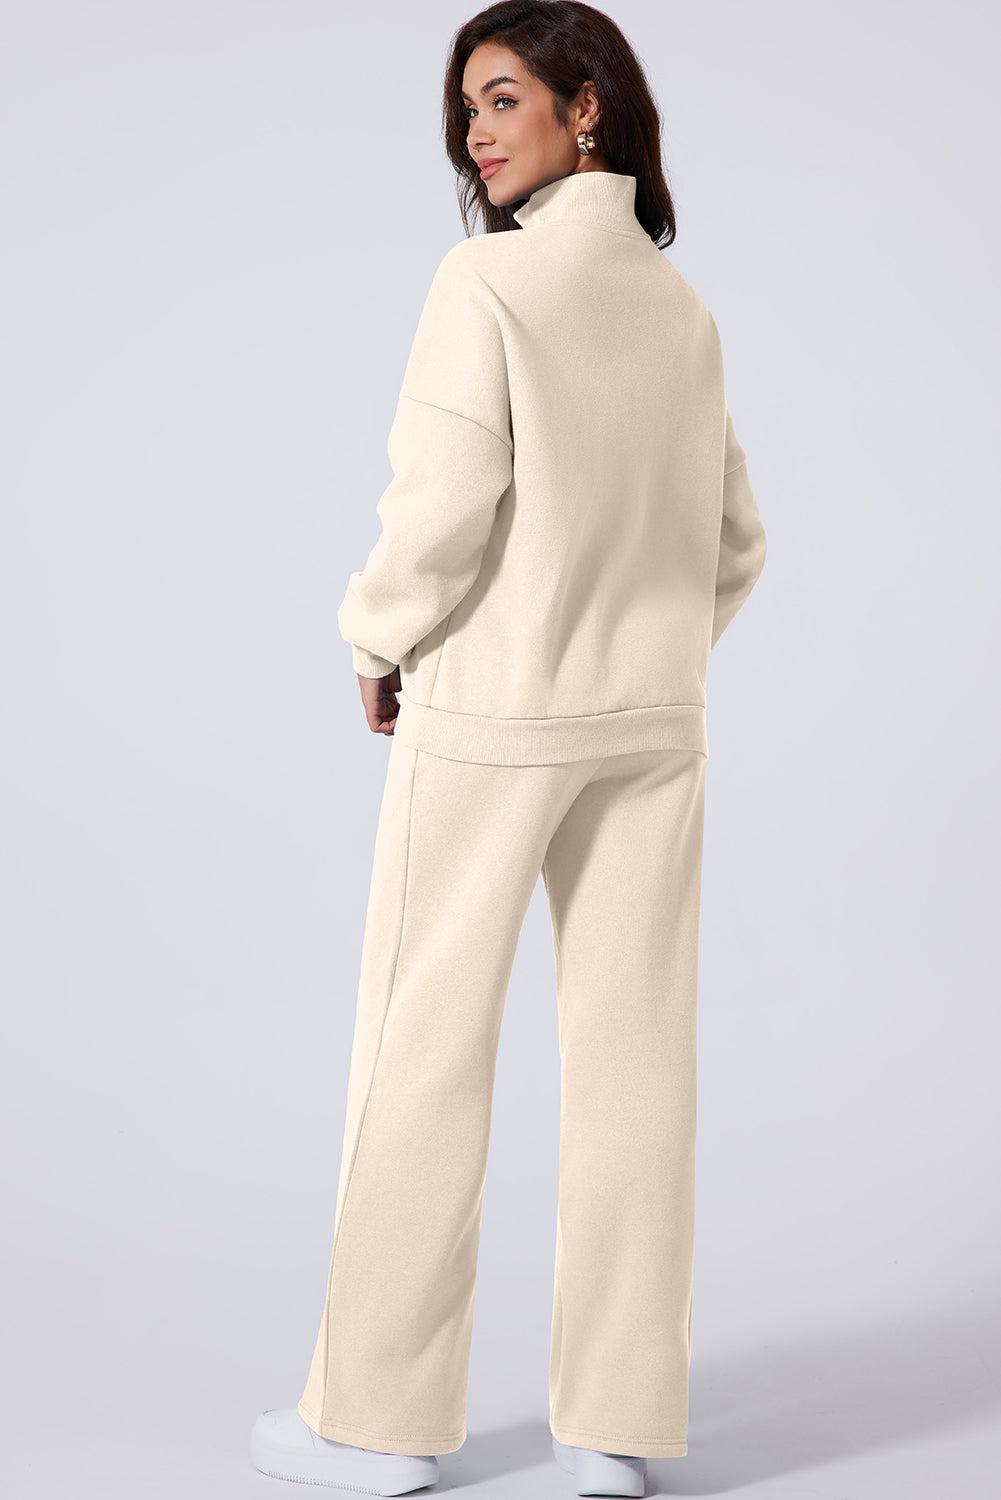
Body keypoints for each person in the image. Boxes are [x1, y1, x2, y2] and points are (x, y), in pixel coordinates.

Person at [250, 2, 766, 1494]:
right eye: (465, 110)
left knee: (420, 1051)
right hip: (651, 727)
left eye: (500, 98)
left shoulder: (484, 282)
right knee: (636, 1065)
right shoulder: (680, 312)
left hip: (492, 720)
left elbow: (439, 506)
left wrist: (377, 637)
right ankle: (615, 1429)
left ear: (584, 106)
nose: (475, 134)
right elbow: (735, 541)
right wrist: (645, 658)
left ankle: (376, 1423)